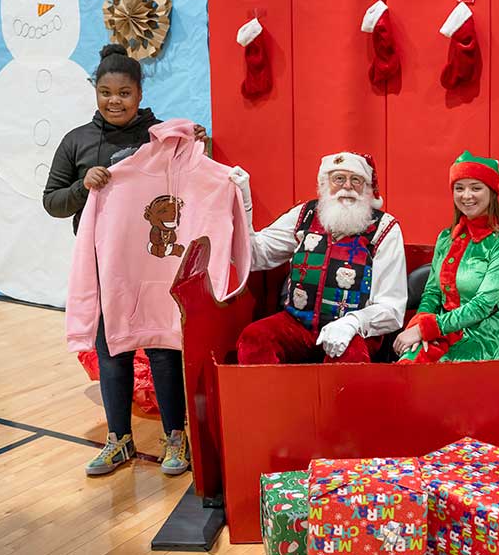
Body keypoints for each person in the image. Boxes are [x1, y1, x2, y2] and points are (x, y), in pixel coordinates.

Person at [43, 43, 207, 477]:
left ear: (139, 93)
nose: (114, 100)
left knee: (161, 346)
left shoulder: (160, 138)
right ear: (95, 92)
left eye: (124, 92)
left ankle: (176, 438)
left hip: (154, 264)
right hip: (105, 266)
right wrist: (83, 186)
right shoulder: (77, 141)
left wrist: (194, 146)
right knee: (111, 348)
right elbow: (52, 201)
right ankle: (119, 442)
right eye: (105, 92)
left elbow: (189, 182)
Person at [235, 152, 406, 364]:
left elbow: (392, 307)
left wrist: (352, 323)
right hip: (297, 324)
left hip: (355, 332)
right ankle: (270, 398)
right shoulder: (305, 215)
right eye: (339, 179)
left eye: (356, 180)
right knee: (255, 339)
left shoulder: (385, 228)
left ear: (368, 189)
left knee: (350, 357)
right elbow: (256, 255)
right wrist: (244, 206)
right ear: (325, 184)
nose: (347, 187)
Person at [393, 151, 499, 362]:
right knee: (408, 365)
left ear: (492, 192)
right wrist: (419, 323)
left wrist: (427, 329)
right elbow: (432, 292)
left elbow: (482, 305)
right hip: (441, 331)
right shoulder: (446, 237)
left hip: (484, 338)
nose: (466, 195)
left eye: (476, 188)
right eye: (459, 188)